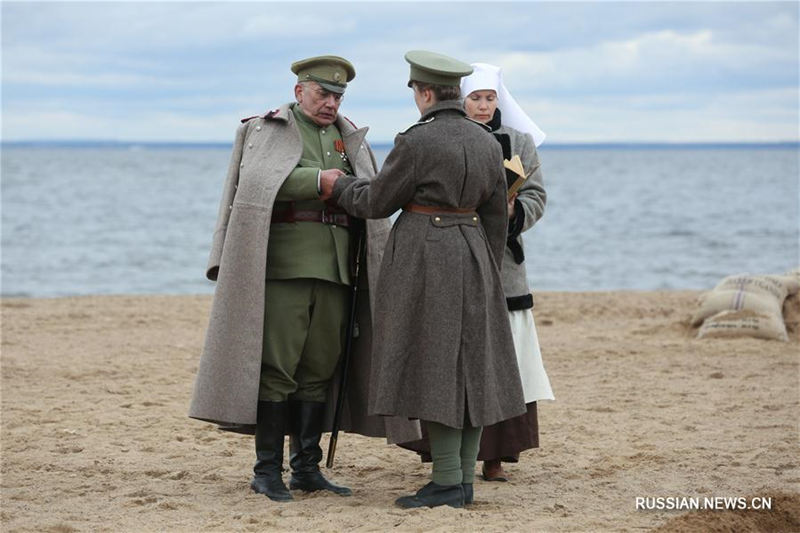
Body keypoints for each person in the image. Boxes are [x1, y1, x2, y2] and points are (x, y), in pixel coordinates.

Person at [188, 55, 419, 503]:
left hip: (337, 269)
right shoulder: (266, 130)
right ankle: (266, 471)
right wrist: (318, 181)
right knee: (278, 369)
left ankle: (306, 469)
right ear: (299, 91)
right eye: (323, 93)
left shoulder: (348, 136)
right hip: (284, 268)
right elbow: (255, 181)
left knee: (319, 368)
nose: (331, 102)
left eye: (337, 95)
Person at [320, 50, 526, 509]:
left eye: (416, 91)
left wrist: (338, 188)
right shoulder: (486, 142)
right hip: (475, 253)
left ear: (426, 92)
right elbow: (495, 216)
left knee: (436, 369)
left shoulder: (416, 142)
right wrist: (485, 267)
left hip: (427, 260)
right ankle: (463, 483)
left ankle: (448, 482)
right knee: (472, 368)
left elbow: (377, 201)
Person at [461, 62, 554, 482]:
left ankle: (495, 456)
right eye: (475, 98)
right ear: (461, 99)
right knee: (460, 356)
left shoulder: (517, 143)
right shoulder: (448, 138)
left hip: (505, 268)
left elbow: (536, 194)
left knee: (509, 358)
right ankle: (452, 453)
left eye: (489, 98)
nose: (483, 106)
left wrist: (516, 212)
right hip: (458, 258)